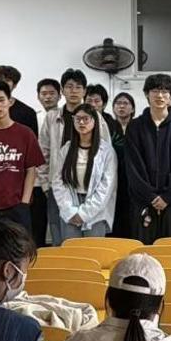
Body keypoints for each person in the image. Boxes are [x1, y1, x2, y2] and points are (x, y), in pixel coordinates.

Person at [0, 65, 45, 238]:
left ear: (10, 101)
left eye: (1, 100)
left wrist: (24, 202)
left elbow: (31, 168)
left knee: (19, 247)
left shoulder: (25, 130)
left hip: (16, 203)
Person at [40, 69, 110, 244]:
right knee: (60, 237)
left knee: (92, 241)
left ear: (84, 91)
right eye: (69, 87)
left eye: (78, 87)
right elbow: (43, 153)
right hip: (59, 186)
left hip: (90, 187)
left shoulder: (96, 117)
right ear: (62, 91)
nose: (73, 91)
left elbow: (105, 153)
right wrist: (46, 185)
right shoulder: (52, 117)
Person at [125, 74, 171, 242]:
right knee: (143, 251)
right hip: (143, 200)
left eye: (164, 91)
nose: (160, 96)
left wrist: (167, 197)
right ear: (147, 94)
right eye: (155, 91)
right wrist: (151, 196)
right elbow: (133, 167)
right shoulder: (135, 126)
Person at [50, 103, 118, 242]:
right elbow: (58, 181)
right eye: (77, 119)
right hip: (70, 205)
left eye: (86, 119)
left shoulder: (106, 151)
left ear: (94, 121)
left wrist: (84, 213)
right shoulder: (66, 149)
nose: (81, 122)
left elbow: (107, 186)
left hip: (96, 209)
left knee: (93, 250)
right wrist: (69, 210)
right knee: (71, 250)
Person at [108, 91, 137, 238]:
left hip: (134, 177)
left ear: (132, 108)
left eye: (125, 103)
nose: (121, 106)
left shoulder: (138, 126)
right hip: (113, 176)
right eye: (118, 103)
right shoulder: (108, 127)